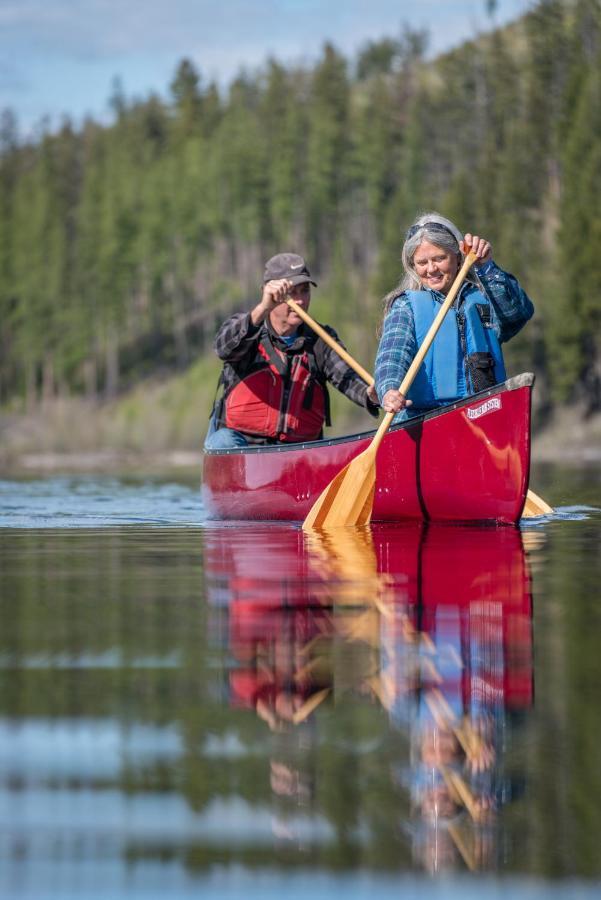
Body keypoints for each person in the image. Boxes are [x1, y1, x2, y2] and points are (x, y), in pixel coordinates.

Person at [205, 252, 379, 449]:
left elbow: (347, 377)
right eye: (291, 293)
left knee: (325, 450)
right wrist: (263, 308)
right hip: (242, 444)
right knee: (222, 441)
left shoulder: (321, 340)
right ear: (269, 293)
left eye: (304, 291)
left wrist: (370, 394)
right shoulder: (247, 328)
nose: (300, 301)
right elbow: (223, 348)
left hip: (298, 450)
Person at [374, 212, 534, 421]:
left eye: (440, 258)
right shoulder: (405, 307)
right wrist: (389, 390)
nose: (431, 269)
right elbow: (392, 356)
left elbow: (518, 314)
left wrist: (486, 266)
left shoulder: (483, 297)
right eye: (422, 262)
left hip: (485, 413)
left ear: (457, 257)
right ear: (413, 266)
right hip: (425, 418)